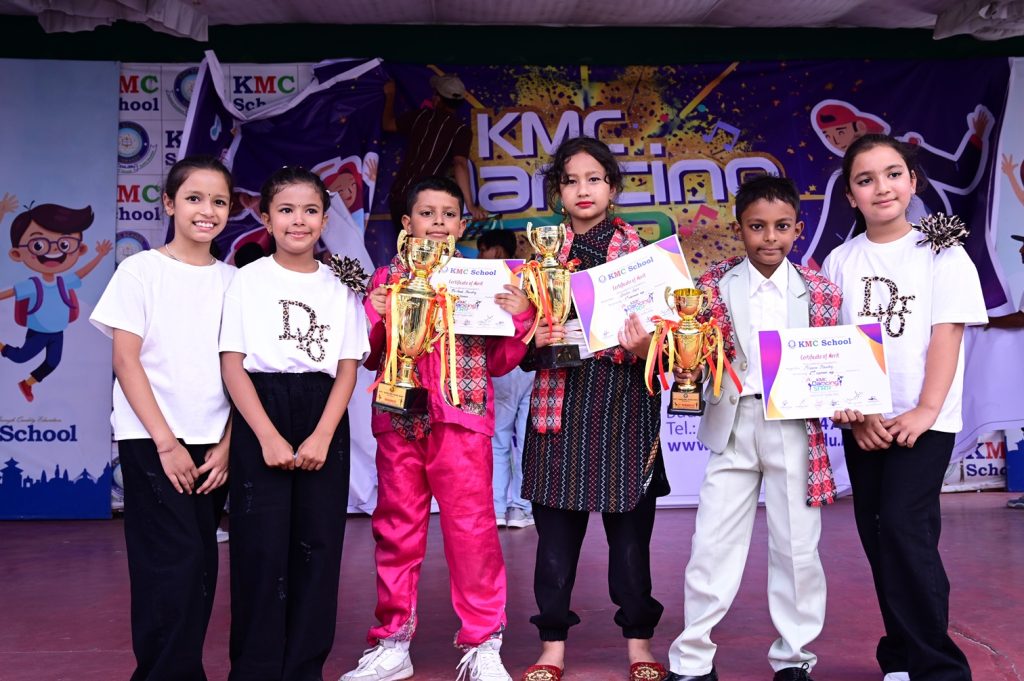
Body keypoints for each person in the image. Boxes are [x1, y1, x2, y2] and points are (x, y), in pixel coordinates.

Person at [341, 176, 534, 681]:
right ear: (407, 223)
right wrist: (373, 314)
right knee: (396, 531)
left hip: (461, 417)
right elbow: (368, 354)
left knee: (472, 532)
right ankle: (392, 642)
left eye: (449, 215)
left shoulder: (480, 279)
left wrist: (518, 318)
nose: (438, 223)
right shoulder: (386, 279)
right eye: (427, 214)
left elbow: (499, 361)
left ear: (462, 225)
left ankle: (483, 643)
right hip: (399, 418)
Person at [822, 134, 987, 681]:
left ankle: (940, 668)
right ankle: (900, 655)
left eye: (893, 174)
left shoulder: (943, 253)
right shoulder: (841, 260)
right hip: (865, 422)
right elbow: (834, 344)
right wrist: (856, 411)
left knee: (903, 527)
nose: (882, 187)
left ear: (912, 182)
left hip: (924, 421)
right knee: (878, 535)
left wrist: (926, 409)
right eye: (865, 180)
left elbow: (947, 334)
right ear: (851, 196)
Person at [664, 176, 841, 681]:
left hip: (794, 428)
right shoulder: (710, 286)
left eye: (782, 227)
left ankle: (794, 658)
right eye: (757, 227)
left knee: (797, 548)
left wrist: (846, 395)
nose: (769, 238)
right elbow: (690, 357)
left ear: (798, 230)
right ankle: (692, 660)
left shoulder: (822, 293)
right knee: (711, 544)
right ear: (739, 228)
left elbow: (838, 361)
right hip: (733, 424)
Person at [519, 136, 669, 681]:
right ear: (558, 192)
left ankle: (639, 644)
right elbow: (519, 353)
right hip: (559, 415)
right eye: (571, 180)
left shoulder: (646, 260)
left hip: (625, 411)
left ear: (612, 187)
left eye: (594, 179)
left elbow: (674, 349)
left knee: (630, 544)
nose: (583, 190)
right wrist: (533, 337)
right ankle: (552, 648)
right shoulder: (539, 262)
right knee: (555, 547)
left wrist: (645, 347)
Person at [89, 155, 235, 681]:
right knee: (167, 565)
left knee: (200, 564)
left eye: (218, 201)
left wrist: (228, 443)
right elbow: (126, 360)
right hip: (152, 440)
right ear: (169, 204)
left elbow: (241, 369)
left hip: (213, 443)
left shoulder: (236, 281)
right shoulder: (140, 271)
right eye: (194, 198)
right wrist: (165, 442)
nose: (206, 210)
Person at [220, 166, 368, 681]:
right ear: (266, 218)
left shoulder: (341, 284)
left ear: (325, 220)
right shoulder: (245, 280)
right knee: (259, 548)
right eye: (286, 210)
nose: (298, 220)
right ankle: (255, 669)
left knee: (318, 547)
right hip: (260, 408)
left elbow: (347, 367)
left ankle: (305, 668)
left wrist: (323, 434)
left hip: (322, 411)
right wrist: (266, 436)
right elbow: (232, 364)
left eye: (310, 211)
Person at [0, 197, 112, 401]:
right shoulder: (32, 284)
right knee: (20, 357)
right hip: (38, 332)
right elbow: (8, 294)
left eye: (64, 244)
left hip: (57, 332)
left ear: (79, 249)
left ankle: (27, 384)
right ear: (17, 253)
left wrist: (100, 256)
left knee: (53, 362)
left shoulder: (64, 281)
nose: (53, 250)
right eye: (38, 245)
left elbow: (82, 273)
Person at [477, 229, 535, 528]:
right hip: (526, 362)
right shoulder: (528, 276)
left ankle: (499, 507)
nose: (480, 256)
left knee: (502, 440)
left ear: (496, 251)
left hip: (507, 362)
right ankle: (518, 508)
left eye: (483, 249)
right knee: (524, 440)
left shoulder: (482, 278)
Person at [383, 74, 487, 232]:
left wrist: (390, 95)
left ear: (438, 99)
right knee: (422, 246)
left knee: (408, 245)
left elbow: (387, 124)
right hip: (424, 200)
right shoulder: (460, 130)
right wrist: (470, 205)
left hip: (400, 195)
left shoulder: (420, 117)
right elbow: (460, 164)